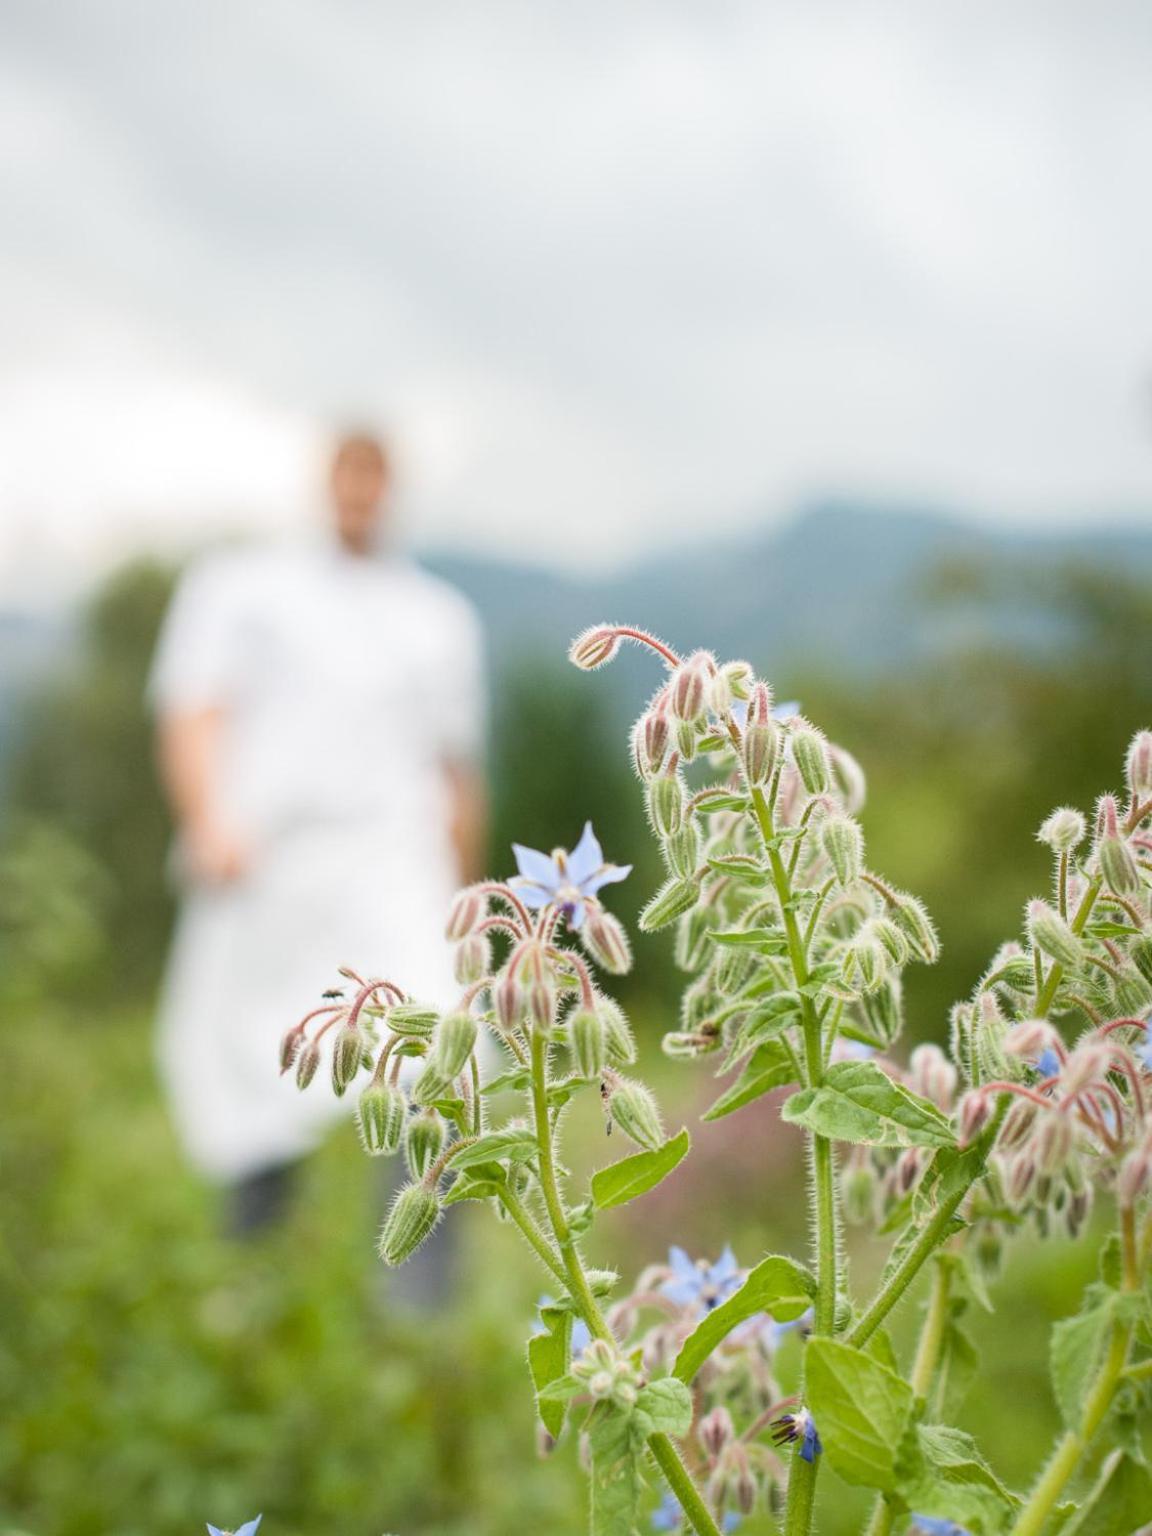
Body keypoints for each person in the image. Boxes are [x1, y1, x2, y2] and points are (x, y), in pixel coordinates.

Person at [150, 430, 486, 1236]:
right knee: (260, 1067)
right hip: (271, 861)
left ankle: (420, 1311)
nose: (361, 491)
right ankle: (252, 1276)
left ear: (393, 488)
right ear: (324, 480)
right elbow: (192, 709)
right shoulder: (242, 587)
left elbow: (457, 772)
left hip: (397, 866)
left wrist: (471, 905)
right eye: (349, 472)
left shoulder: (436, 615)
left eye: (377, 475)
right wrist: (208, 823)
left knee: (439, 1053)